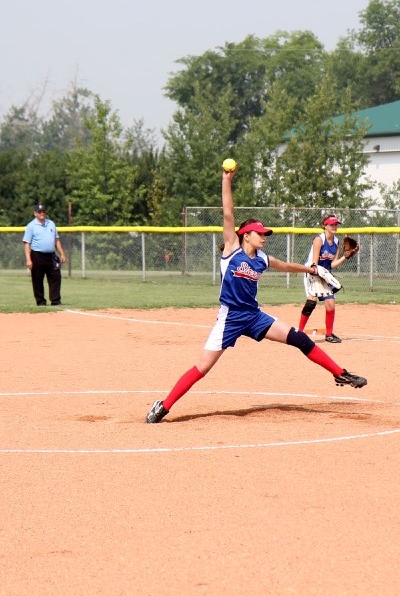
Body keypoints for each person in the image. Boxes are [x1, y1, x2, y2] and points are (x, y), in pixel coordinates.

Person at [146, 167, 367, 423]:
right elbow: (228, 213)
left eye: (265, 234)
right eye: (260, 233)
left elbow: (285, 266)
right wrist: (226, 180)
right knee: (202, 368)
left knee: (299, 339)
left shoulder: (261, 258)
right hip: (230, 318)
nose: (264, 237)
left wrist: (310, 268)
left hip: (254, 315)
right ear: (246, 235)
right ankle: (163, 406)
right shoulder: (231, 249)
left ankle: (340, 373)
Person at [298, 215, 349, 343]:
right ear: (325, 225)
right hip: (312, 272)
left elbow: (332, 264)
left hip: (325, 274)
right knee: (311, 301)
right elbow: (314, 263)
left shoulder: (337, 242)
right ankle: (299, 333)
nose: (335, 226)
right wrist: (317, 273)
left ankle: (329, 334)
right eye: (332, 224)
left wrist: (345, 257)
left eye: (336, 224)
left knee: (331, 305)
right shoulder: (319, 240)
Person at [23, 204, 66, 306]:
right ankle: (41, 301)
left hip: (51, 255)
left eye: (43, 211)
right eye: (40, 211)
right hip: (37, 255)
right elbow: (26, 243)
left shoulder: (51, 223)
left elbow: (56, 240)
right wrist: (28, 259)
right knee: (37, 279)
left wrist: (62, 254)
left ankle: (55, 300)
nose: (42, 213)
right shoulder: (31, 226)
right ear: (35, 213)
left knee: (56, 277)